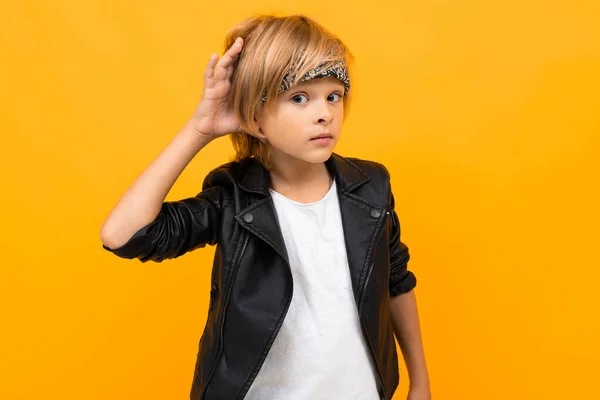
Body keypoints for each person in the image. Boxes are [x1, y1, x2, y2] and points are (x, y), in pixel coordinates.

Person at [100, 14, 431, 400]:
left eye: (333, 95)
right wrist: (199, 128)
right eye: (299, 97)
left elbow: (397, 281)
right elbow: (122, 236)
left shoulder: (371, 188)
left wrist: (420, 382)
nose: (324, 112)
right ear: (255, 117)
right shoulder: (232, 197)